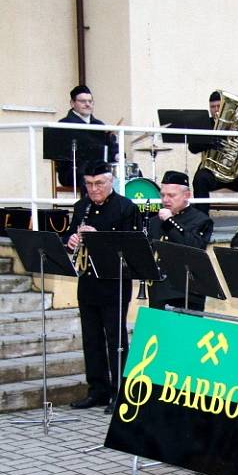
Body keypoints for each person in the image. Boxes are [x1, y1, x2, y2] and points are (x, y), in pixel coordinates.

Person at [63, 161, 140, 414]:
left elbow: (131, 245)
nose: (93, 189)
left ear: (111, 182)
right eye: (89, 184)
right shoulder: (81, 206)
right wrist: (72, 240)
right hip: (88, 280)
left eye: (99, 184)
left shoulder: (125, 207)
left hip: (114, 282)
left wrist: (97, 235)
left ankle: (120, 393)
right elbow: (69, 238)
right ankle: (97, 390)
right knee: (91, 338)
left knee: (115, 338)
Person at [146, 171, 214, 312]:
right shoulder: (154, 221)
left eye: (171, 195)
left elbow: (194, 247)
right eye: (163, 195)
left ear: (186, 195)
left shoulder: (201, 220)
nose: (165, 200)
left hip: (187, 292)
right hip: (159, 290)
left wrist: (171, 222)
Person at [189, 91, 238, 219]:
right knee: (200, 179)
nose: (216, 110)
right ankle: (202, 223)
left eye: (219, 106)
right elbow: (192, 148)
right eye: (212, 107)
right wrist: (210, 142)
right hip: (211, 170)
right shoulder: (205, 124)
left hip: (236, 172)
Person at [55, 85, 119, 193]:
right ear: (72, 103)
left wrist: (117, 155)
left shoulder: (99, 124)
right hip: (74, 170)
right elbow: (61, 155)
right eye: (83, 101)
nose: (87, 104)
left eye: (90, 101)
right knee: (90, 175)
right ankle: (90, 209)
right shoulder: (63, 125)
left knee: (131, 173)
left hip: (100, 168)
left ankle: (124, 208)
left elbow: (111, 146)